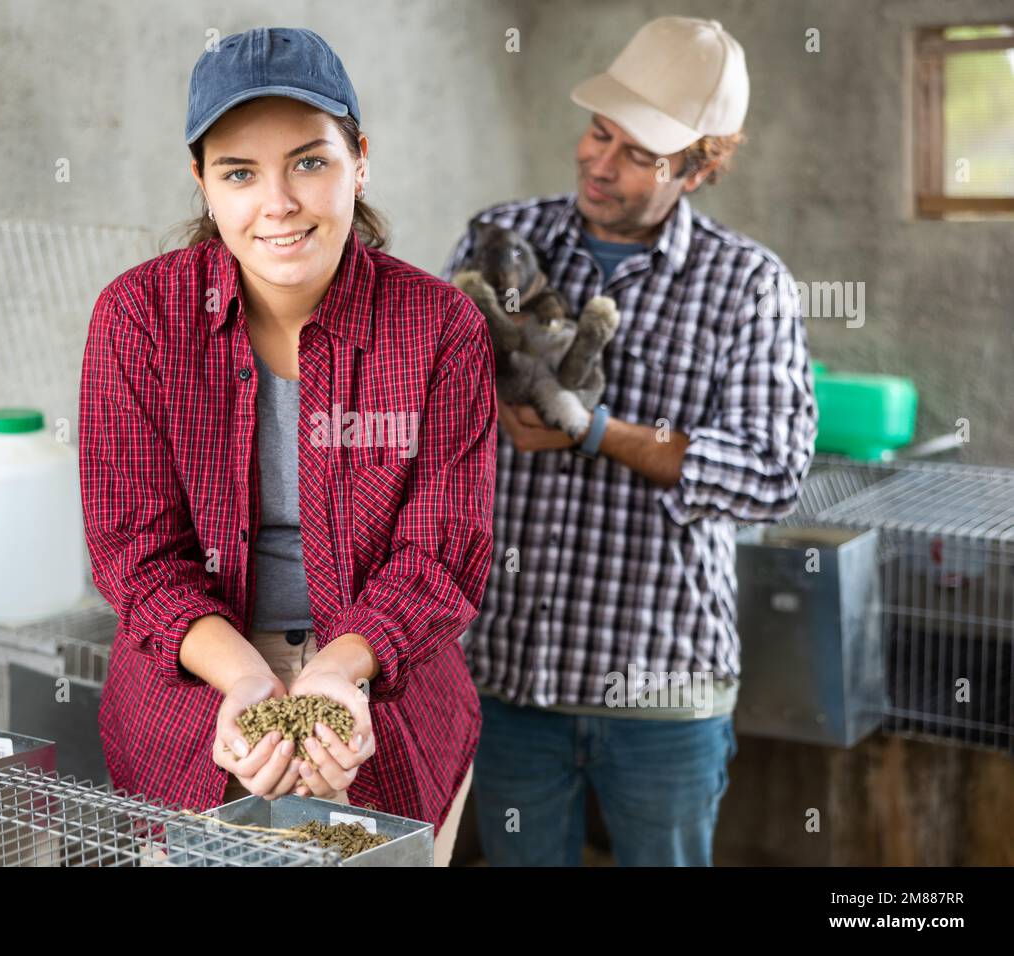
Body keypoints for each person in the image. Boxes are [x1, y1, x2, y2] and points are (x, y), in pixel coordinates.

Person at [80, 27, 496, 867]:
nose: (279, 203)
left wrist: (342, 671)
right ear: (201, 182)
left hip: (383, 683)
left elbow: (440, 555)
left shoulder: (440, 327)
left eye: (310, 161)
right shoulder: (139, 321)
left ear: (360, 160)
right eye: (239, 172)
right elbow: (136, 554)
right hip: (196, 690)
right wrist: (244, 680)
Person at [441, 16, 818, 866]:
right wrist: (483, 409)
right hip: (507, 678)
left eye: (638, 153)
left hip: (662, 690)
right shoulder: (503, 235)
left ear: (700, 165)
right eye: (598, 132)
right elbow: (423, 395)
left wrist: (597, 432)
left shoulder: (748, 285)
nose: (598, 162)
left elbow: (771, 473)